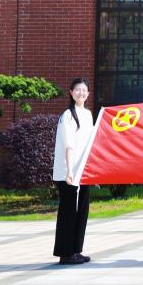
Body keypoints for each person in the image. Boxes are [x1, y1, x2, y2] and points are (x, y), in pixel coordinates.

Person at [53, 78, 95, 265]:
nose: (81, 93)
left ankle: (76, 250)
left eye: (84, 90)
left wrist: (93, 171)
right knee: (68, 212)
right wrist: (69, 170)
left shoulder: (88, 114)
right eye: (77, 90)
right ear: (71, 92)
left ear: (88, 93)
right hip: (67, 171)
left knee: (82, 211)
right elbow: (68, 145)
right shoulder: (68, 115)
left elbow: (90, 145)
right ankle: (65, 253)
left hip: (83, 171)